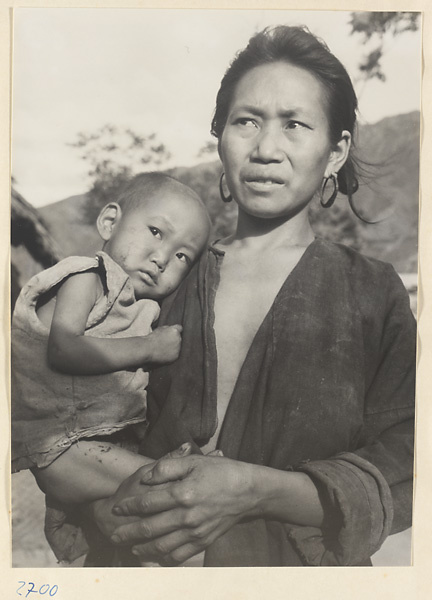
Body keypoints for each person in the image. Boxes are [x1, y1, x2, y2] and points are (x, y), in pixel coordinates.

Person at [33, 25, 416, 567]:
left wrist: (257, 489)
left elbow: (407, 460)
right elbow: (64, 415)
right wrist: (104, 507)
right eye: (247, 121)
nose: (265, 149)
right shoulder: (162, 280)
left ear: (336, 151)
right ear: (220, 136)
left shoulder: (372, 294)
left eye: (295, 125)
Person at [12, 172, 211, 489]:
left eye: (182, 256)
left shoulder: (141, 307)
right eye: (156, 232)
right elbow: (63, 349)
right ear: (109, 222)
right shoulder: (86, 277)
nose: (161, 259)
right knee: (168, 485)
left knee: (154, 496)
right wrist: (149, 347)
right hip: (59, 445)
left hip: (98, 441)